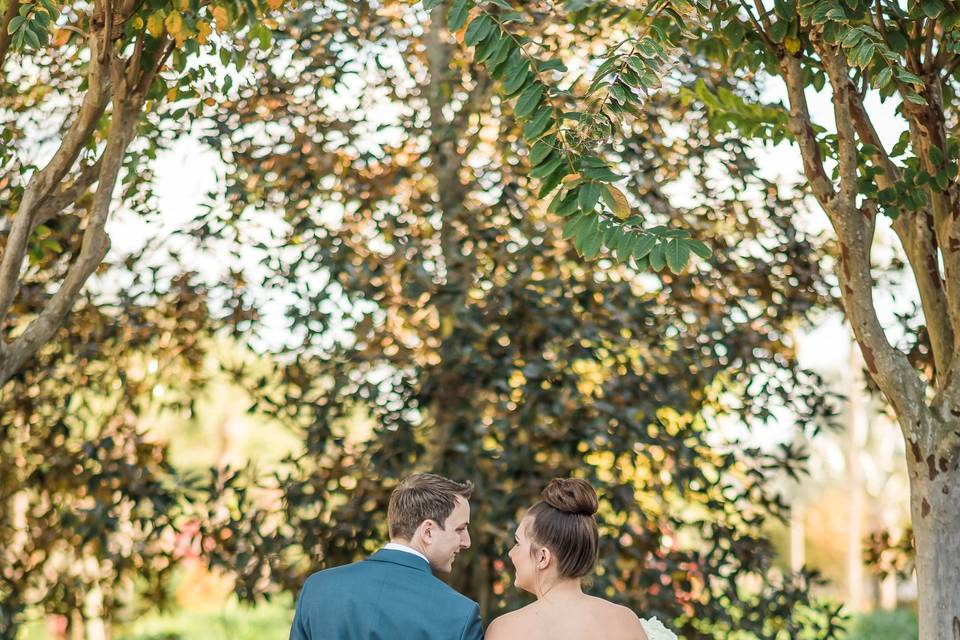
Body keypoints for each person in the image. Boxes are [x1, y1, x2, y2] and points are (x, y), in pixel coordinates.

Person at [288, 472, 484, 640]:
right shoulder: (459, 614)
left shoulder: (318, 587)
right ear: (428, 531)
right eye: (460, 529)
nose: (467, 542)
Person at [486, 478, 676, 640]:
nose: (511, 553)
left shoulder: (506, 630)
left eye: (518, 543)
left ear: (543, 557)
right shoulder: (625, 621)